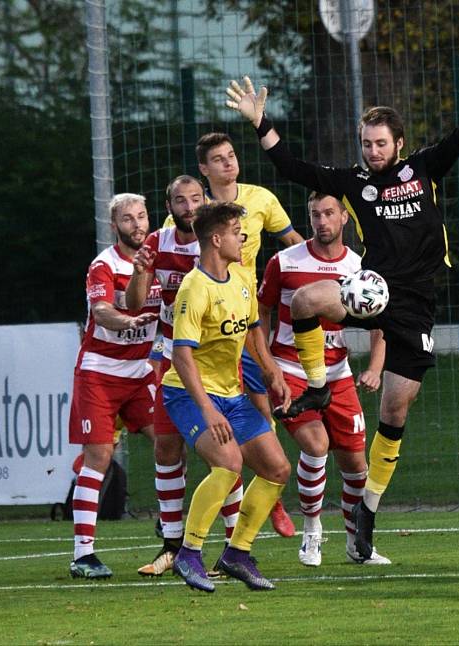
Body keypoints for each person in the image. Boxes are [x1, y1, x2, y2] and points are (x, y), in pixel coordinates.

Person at [224, 55, 459, 561]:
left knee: (394, 412)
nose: (372, 152)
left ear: (398, 142)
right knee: (307, 300)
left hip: (417, 305)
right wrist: (260, 121)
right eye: (366, 144)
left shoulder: (422, 169)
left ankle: (368, 508)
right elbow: (292, 167)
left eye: (380, 143)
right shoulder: (354, 181)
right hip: (373, 289)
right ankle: (317, 387)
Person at [166, 132, 305, 537]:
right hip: (206, 322)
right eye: (218, 158)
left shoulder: (259, 199)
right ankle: (180, 535)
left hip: (245, 314)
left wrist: (330, 271)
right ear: (204, 169)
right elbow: (166, 254)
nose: (228, 162)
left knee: (262, 418)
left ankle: (266, 501)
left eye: (232, 155)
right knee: (192, 446)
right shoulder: (197, 215)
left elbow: (292, 244)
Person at [162, 201, 292, 593]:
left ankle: (237, 553)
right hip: (188, 393)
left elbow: (253, 332)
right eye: (237, 232)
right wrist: (207, 409)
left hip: (230, 394)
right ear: (216, 240)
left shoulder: (240, 279)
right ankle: (189, 552)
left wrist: (272, 373)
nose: (244, 237)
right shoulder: (194, 288)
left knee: (277, 469)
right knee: (229, 462)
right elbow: (181, 355)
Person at [127, 175, 250, 576]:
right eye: (180, 200)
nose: (189, 206)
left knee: (228, 452)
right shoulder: (157, 243)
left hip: (216, 362)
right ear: (169, 205)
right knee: (166, 449)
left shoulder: (222, 243)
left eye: (196, 198)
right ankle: (172, 545)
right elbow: (133, 303)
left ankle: (233, 545)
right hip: (171, 359)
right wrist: (140, 273)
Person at [258, 192, 390, 566]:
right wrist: (268, 365)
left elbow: (380, 321)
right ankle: (312, 532)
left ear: (345, 217)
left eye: (329, 213)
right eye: (314, 213)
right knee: (315, 446)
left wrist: (375, 367)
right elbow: (261, 313)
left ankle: (356, 544)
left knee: (356, 465)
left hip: (339, 375)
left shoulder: (358, 266)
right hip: (292, 373)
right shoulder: (284, 262)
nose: (321, 221)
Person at [68, 193, 160, 578]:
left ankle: (168, 523)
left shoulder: (162, 257)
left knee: (169, 442)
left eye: (141, 217)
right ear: (114, 226)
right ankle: (83, 554)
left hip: (140, 372)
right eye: (127, 219)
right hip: (100, 373)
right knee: (99, 458)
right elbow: (103, 310)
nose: (137, 224)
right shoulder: (103, 265)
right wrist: (126, 321)